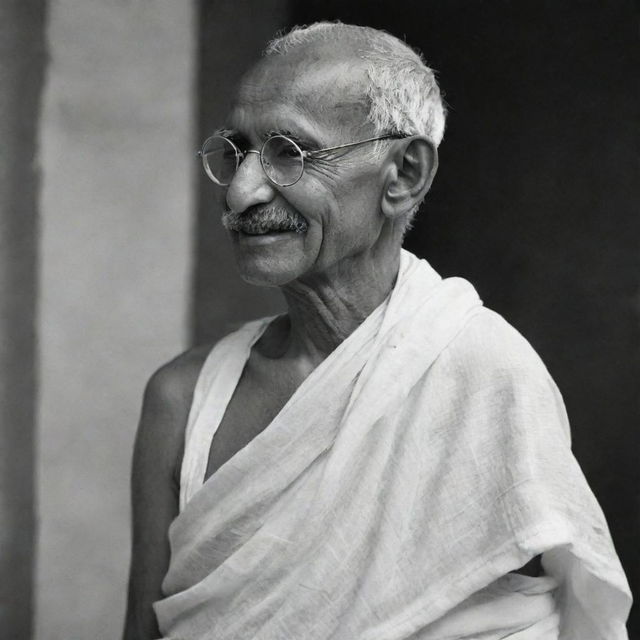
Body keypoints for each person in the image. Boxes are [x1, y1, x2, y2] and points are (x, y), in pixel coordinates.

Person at [123, 22, 631, 640]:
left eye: (291, 151)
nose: (241, 190)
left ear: (404, 174)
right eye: (237, 150)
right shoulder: (181, 399)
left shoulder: (483, 373)